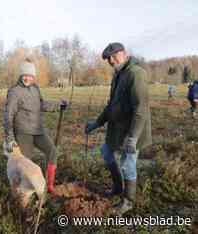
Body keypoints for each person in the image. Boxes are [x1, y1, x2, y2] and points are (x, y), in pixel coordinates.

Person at [85, 43, 152, 215]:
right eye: (109, 58)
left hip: (131, 130)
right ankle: (117, 187)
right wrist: (96, 123)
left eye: (115, 56)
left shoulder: (136, 74)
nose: (111, 60)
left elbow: (141, 109)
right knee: (106, 152)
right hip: (117, 128)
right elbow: (111, 106)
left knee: (127, 164)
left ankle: (128, 201)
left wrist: (133, 137)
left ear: (125, 54)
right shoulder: (118, 75)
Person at [3, 58, 68, 195]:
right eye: (25, 75)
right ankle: (22, 195)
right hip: (23, 133)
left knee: (53, 152)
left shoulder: (35, 89)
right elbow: (8, 115)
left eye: (30, 75)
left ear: (34, 76)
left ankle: (48, 186)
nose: (27, 78)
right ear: (21, 75)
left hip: (38, 130)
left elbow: (41, 105)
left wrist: (58, 105)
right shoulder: (14, 92)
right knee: (26, 165)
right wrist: (10, 138)